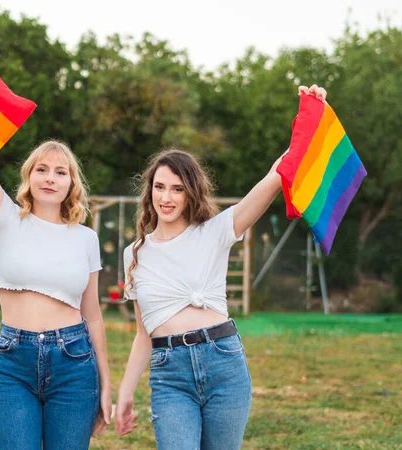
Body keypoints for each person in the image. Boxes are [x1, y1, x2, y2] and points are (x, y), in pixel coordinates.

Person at [114, 86, 327, 449]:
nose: (166, 197)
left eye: (177, 189)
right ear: (149, 190)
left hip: (223, 362)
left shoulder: (214, 232)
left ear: (190, 193)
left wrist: (312, 116)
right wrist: (125, 392)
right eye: (160, 187)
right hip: (170, 376)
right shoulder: (135, 253)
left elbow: (275, 177)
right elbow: (142, 333)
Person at [0, 140, 112, 449]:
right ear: (29, 177)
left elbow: (93, 316)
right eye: (42, 169)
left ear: (71, 183)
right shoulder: (4, 219)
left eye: (60, 172)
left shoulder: (86, 239)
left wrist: (106, 383)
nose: (50, 178)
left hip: (74, 364)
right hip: (13, 363)